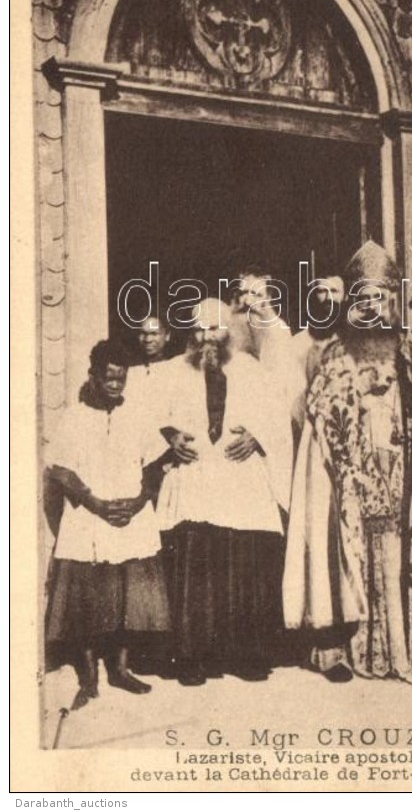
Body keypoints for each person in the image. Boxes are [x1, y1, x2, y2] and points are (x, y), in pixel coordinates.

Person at [283, 241, 412, 683]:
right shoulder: (335, 352)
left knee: (393, 548)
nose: (373, 309)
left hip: (394, 462)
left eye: (381, 299)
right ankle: (334, 649)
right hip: (340, 466)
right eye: (364, 300)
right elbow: (320, 405)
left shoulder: (406, 349)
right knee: (335, 550)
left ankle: (395, 647)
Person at [151, 297, 293, 685]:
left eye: (214, 328)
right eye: (199, 329)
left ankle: (245, 655)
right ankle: (195, 657)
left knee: (245, 563)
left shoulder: (251, 369)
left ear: (229, 332)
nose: (207, 337)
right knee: (197, 566)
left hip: (239, 475)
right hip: (195, 473)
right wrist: (170, 437)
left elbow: (277, 414)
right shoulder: (172, 371)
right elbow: (152, 415)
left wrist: (256, 436)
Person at [44, 340, 170, 709]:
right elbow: (61, 470)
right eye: (109, 378)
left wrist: (137, 502)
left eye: (121, 378)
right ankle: (90, 677)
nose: (116, 385)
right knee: (87, 601)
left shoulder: (137, 414)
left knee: (127, 596)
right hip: (89, 516)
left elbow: (154, 466)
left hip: (130, 514)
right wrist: (96, 503)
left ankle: (121, 669)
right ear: (93, 376)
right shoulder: (75, 416)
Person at [290, 273, 345, 437]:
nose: (328, 298)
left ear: (345, 296)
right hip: (310, 432)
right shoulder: (299, 343)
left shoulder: (355, 341)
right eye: (322, 291)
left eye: (334, 291)